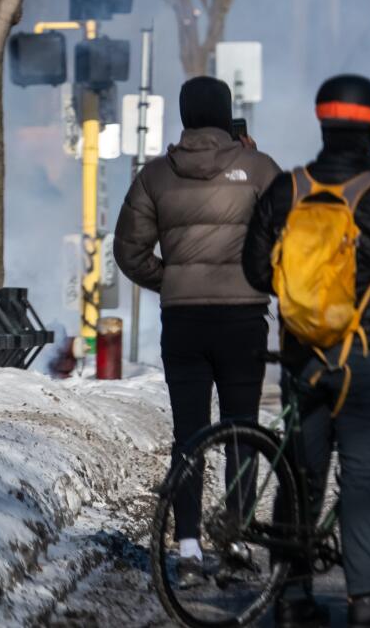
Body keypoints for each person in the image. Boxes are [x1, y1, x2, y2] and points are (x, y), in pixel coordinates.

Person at [242, 74, 370, 627]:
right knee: (361, 477)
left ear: (320, 120)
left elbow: (256, 271)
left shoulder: (287, 188)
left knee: (300, 477)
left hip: (303, 358)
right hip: (366, 357)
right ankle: (368, 598)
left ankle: (292, 594)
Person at [112, 75, 281, 575]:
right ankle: (235, 538)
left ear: (184, 115)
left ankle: (186, 547)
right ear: (227, 114)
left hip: (183, 322)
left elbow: (129, 251)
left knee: (189, 436)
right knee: (241, 432)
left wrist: (172, 280)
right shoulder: (258, 168)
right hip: (243, 320)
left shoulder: (155, 175)